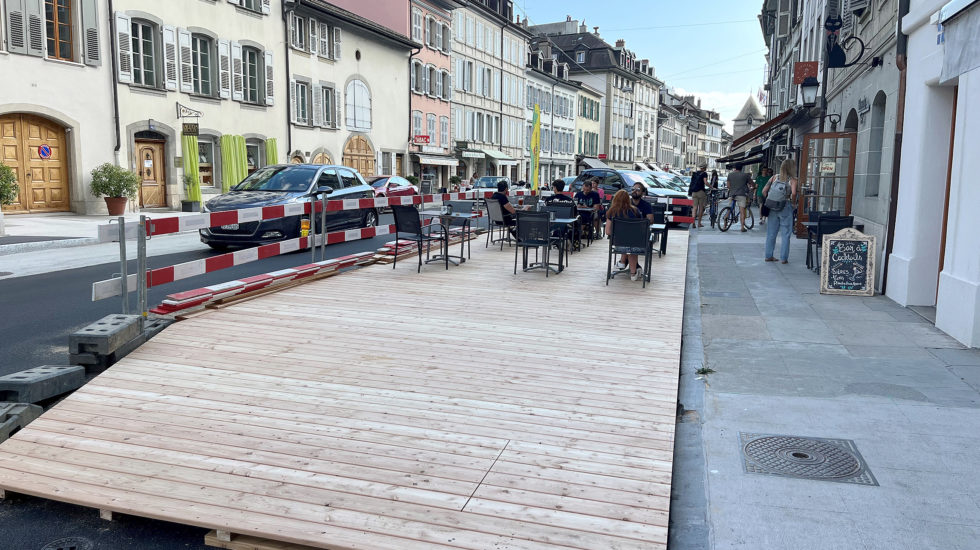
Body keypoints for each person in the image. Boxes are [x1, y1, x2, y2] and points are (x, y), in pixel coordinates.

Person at [604, 190, 645, 281]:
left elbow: (608, 232)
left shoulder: (611, 212)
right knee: (631, 244)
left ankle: (622, 262)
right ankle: (633, 273)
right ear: (628, 199)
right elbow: (641, 230)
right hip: (636, 244)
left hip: (619, 244)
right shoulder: (635, 211)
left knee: (626, 242)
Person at [763, 159, 799, 264]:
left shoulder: (774, 177)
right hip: (785, 206)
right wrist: (793, 204)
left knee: (771, 233)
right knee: (786, 234)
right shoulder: (793, 180)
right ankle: (784, 258)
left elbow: (764, 191)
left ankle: (768, 256)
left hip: (772, 207)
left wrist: (771, 200)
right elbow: (793, 193)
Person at [726, 164, 752, 232]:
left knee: (729, 209)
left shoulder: (730, 175)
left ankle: (724, 224)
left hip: (732, 194)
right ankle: (742, 227)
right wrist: (754, 186)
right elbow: (751, 183)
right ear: (741, 168)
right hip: (741, 194)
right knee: (742, 211)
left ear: (735, 168)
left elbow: (728, 185)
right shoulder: (745, 175)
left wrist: (733, 189)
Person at [688, 163, 708, 228]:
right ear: (704, 168)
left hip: (694, 192)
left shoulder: (695, 173)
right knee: (701, 208)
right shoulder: (704, 173)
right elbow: (705, 182)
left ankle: (693, 222)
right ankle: (699, 223)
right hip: (701, 192)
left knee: (694, 208)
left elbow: (691, 183)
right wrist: (711, 187)